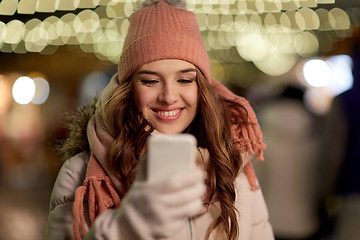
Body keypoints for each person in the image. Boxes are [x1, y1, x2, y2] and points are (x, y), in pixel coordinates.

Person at [45, 0, 274, 239]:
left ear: (202, 88)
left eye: (184, 80)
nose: (168, 97)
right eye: (150, 81)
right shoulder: (81, 173)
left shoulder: (232, 164)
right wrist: (127, 227)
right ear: (128, 88)